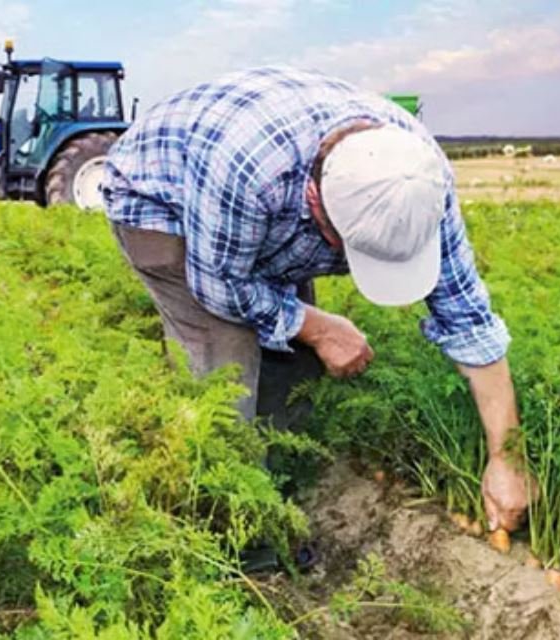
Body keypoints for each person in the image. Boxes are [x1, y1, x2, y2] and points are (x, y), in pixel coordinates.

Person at [101, 66, 535, 554]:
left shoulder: (417, 178)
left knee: (295, 365)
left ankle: (275, 479)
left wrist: (507, 457)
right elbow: (220, 286)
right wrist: (318, 325)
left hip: (259, 212)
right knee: (224, 369)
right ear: (315, 200)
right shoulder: (249, 171)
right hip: (164, 204)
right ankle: (227, 528)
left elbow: (469, 321)